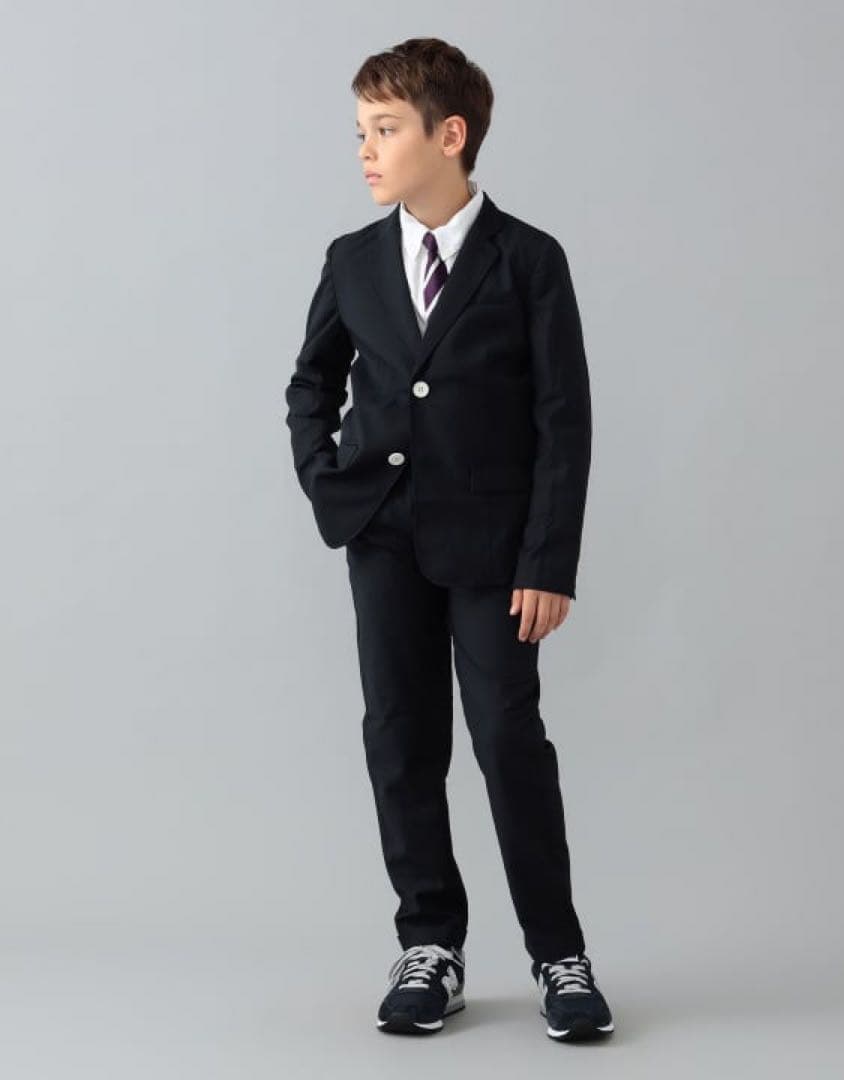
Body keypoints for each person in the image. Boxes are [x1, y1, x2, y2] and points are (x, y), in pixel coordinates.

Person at [284, 36, 614, 1043]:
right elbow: (311, 383)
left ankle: (559, 952)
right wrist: (327, 480)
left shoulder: (528, 260)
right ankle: (429, 944)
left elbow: (564, 419)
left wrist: (548, 561)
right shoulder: (352, 259)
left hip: (495, 549)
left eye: (385, 129)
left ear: (450, 135)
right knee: (400, 737)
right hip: (383, 539)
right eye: (360, 131)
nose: (365, 149)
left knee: (508, 738)